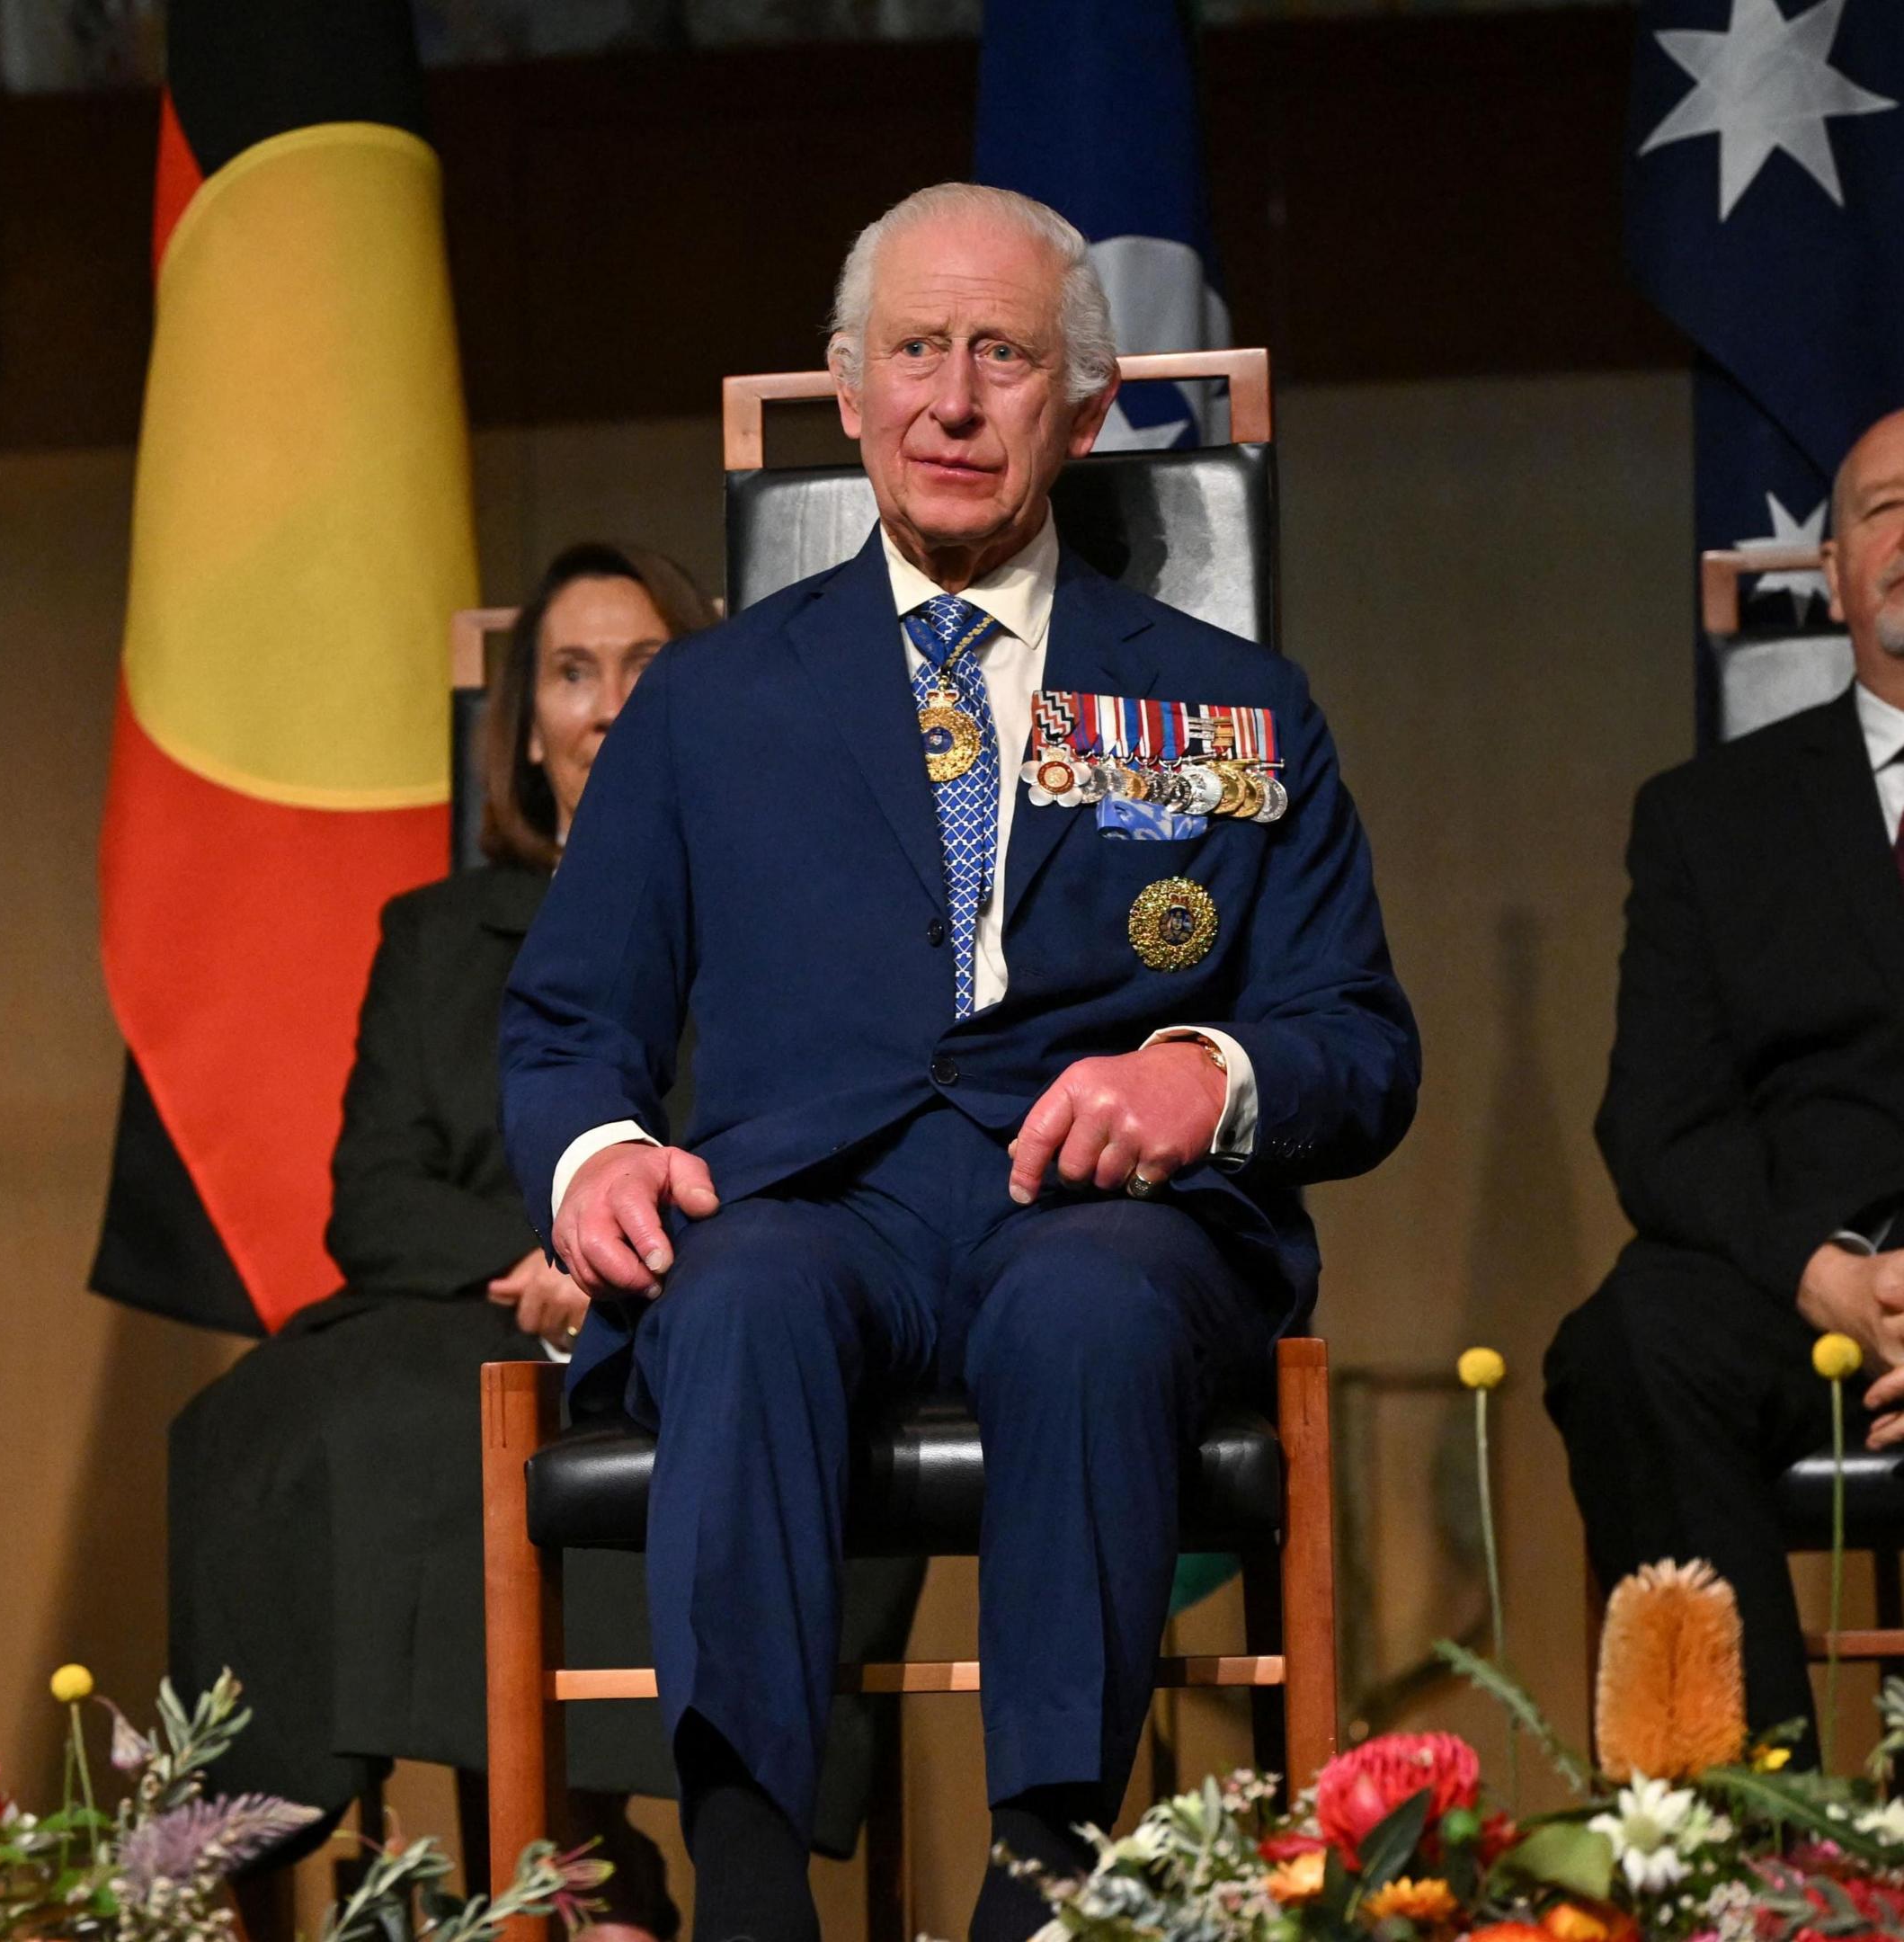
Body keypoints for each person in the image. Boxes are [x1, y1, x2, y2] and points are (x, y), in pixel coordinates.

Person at [498, 183, 1417, 1942]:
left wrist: (1199, 1078)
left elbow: (1358, 1041)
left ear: (1081, 407)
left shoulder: (1236, 705)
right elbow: (569, 1019)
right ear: (848, 394)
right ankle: (752, 1886)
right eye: (916, 350)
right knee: (744, 1296)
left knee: (1087, 1310)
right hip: (809, 1203)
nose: (954, 397)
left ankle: (1043, 1879)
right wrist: (597, 1156)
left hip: (1104, 1211)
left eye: (1005, 356)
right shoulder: (706, 703)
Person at [168, 541, 714, 1942]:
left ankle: (580, 1861)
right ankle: (241, 1868)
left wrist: (597, 1264)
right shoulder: (434, 934)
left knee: (496, 1435)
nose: (603, 707)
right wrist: (535, 1261)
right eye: (570, 675)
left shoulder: (755, 914)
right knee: (264, 1419)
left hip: (683, 1299)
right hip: (461, 1298)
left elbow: (761, 1136)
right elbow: (374, 1197)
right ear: (524, 728)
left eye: (641, 669)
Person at [1546, 405, 1904, 1755]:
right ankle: (1762, 1850)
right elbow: (1658, 1120)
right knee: (1631, 1347)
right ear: (1830, 576)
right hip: (1798, 1275)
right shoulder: (1709, 817)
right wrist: (1817, 1273)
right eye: (1879, 509)